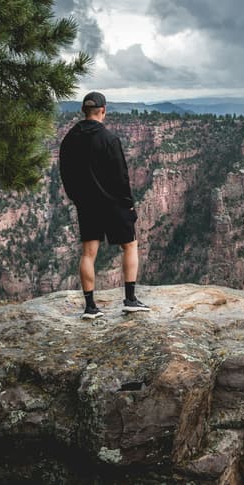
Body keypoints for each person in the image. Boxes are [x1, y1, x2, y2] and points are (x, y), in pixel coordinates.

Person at [59, 91, 150, 319]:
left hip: (87, 204)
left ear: (84, 111)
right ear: (103, 110)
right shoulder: (109, 139)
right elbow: (121, 176)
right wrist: (128, 203)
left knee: (88, 254)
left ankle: (90, 307)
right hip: (113, 203)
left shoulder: (70, 138)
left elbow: (65, 172)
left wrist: (76, 198)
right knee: (129, 245)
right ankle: (130, 299)